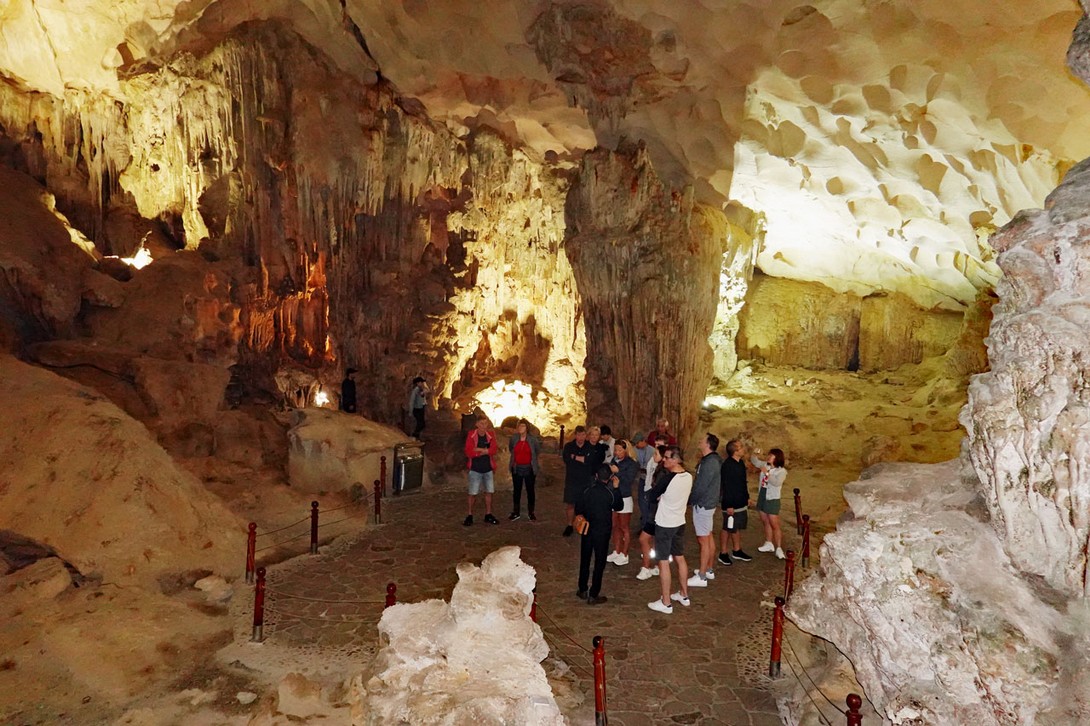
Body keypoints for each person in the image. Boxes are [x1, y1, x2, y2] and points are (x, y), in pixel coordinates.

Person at [647, 446, 693, 614]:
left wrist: (659, 495)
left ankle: (666, 602)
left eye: (667, 457)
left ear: (676, 460)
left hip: (665, 524)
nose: (664, 460)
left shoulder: (667, 479)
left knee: (663, 561)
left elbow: (651, 496)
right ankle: (684, 594)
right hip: (680, 522)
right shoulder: (688, 476)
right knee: (680, 558)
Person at [575, 465, 625, 605]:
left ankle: (582, 588)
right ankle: (594, 593)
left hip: (588, 529)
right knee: (599, 563)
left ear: (596, 476)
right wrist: (616, 488)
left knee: (585, 559)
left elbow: (578, 508)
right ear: (609, 478)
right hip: (602, 532)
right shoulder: (609, 493)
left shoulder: (587, 491)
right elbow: (619, 506)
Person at [687, 433, 722, 587]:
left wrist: (690, 500)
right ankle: (708, 568)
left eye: (702, 440)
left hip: (704, 505)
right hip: (709, 503)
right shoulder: (712, 460)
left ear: (708, 444)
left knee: (703, 540)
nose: (699, 441)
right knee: (708, 536)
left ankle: (701, 576)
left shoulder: (709, 463)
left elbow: (701, 486)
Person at [719, 438, 754, 565]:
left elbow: (742, 483)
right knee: (727, 528)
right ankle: (723, 553)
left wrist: (747, 497)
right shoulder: (728, 466)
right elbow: (726, 486)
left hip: (740, 502)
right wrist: (729, 505)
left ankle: (737, 550)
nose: (743, 448)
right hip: (731, 504)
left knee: (736, 527)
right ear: (735, 451)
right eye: (741, 447)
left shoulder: (740, 463)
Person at [606, 440, 640, 566]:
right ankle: (617, 549)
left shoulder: (632, 463)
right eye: (615, 450)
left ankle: (625, 554)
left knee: (624, 526)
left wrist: (617, 471)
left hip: (624, 496)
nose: (617, 452)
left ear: (626, 450)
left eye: (620, 450)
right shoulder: (614, 460)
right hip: (614, 495)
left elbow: (628, 480)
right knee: (614, 525)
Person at [463, 415, 499, 526]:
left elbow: (494, 449)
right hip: (475, 469)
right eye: (482, 424)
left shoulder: (490, 435)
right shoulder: (471, 435)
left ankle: (488, 514)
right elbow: (469, 451)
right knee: (473, 493)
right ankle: (469, 515)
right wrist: (483, 451)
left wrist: (479, 450)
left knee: (489, 492)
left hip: (487, 468)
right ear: (477, 424)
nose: (484, 426)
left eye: (486, 423)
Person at [753, 447, 788, 558]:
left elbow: (776, 483)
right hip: (762, 495)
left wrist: (767, 474)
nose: (768, 457)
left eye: (771, 456)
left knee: (774, 523)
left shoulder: (781, 471)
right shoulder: (765, 465)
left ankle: (778, 547)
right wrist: (754, 453)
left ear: (777, 458)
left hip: (772, 498)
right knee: (765, 521)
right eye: (768, 455)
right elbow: (755, 461)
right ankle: (768, 543)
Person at [561, 426, 594, 536]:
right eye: (579, 435)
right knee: (570, 504)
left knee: (585, 504)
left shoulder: (589, 447)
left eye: (583, 435)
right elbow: (567, 460)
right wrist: (582, 459)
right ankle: (569, 525)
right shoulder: (569, 446)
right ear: (575, 435)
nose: (581, 437)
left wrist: (575, 457)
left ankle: (583, 525)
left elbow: (589, 461)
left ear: (586, 435)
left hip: (585, 481)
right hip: (572, 480)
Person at [508, 418, 540, 521]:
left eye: (523, 426)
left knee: (530, 491)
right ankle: (516, 512)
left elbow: (536, 451)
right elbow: (511, 449)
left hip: (529, 469)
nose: (520, 428)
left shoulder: (532, 439)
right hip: (517, 468)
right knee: (516, 491)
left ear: (527, 428)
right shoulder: (514, 438)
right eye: (519, 426)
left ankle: (531, 512)